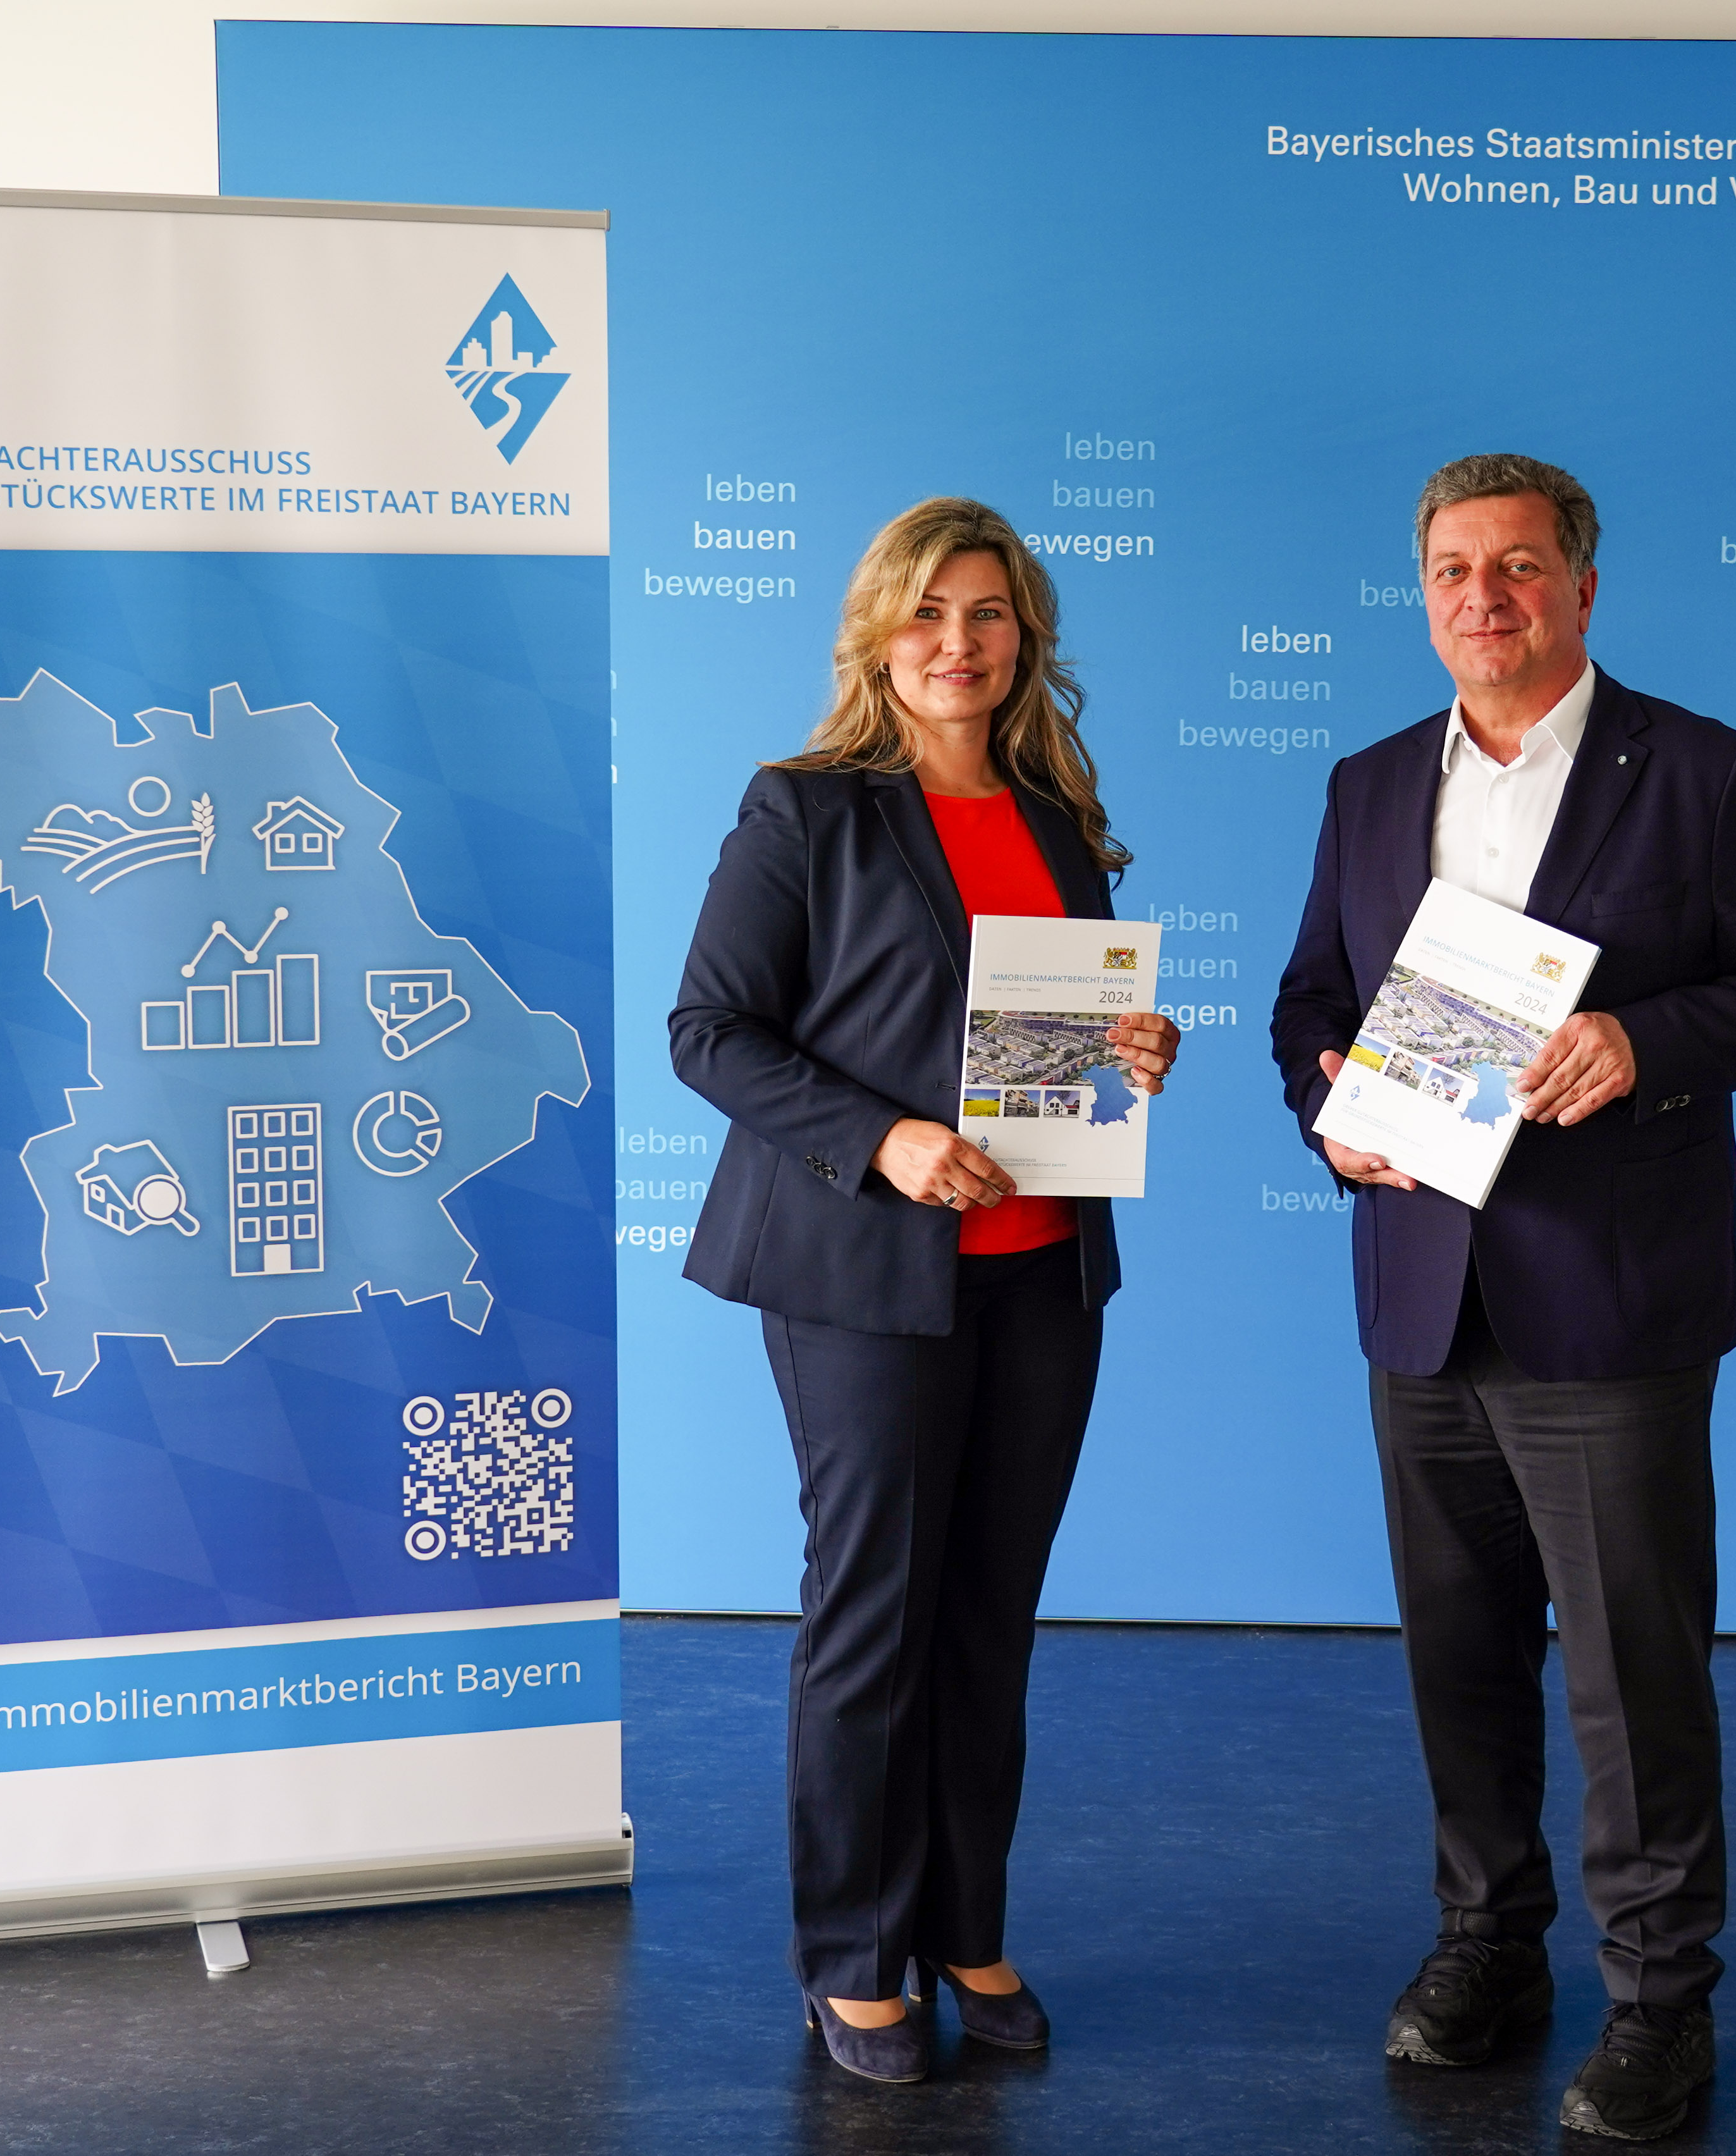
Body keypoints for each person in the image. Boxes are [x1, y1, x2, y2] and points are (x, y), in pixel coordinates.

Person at [1271, 454, 1736, 2141]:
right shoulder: (1371, 781)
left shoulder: (1702, 770)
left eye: (1519, 566)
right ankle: (1488, 1946)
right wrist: (1327, 1105)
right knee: (1458, 1659)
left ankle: (1661, 2000)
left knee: (1629, 1673)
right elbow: (1312, 997)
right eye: (1454, 569)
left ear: (1582, 587)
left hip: (1612, 1300)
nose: (1486, 596)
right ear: (1423, 593)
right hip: (1421, 1292)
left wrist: (1643, 1040)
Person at [670, 497, 1179, 2085]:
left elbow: (1048, 1032)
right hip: (863, 1272)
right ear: (878, 636)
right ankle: (851, 1955)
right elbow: (710, 1031)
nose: (959, 642)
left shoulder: (1056, 815)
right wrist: (882, 1138)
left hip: (1042, 1271)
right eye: (927, 613)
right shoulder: (806, 807)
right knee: (875, 1613)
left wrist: (1132, 1046)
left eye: (988, 613)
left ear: (1025, 636)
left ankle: (965, 1927)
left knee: (988, 1618)